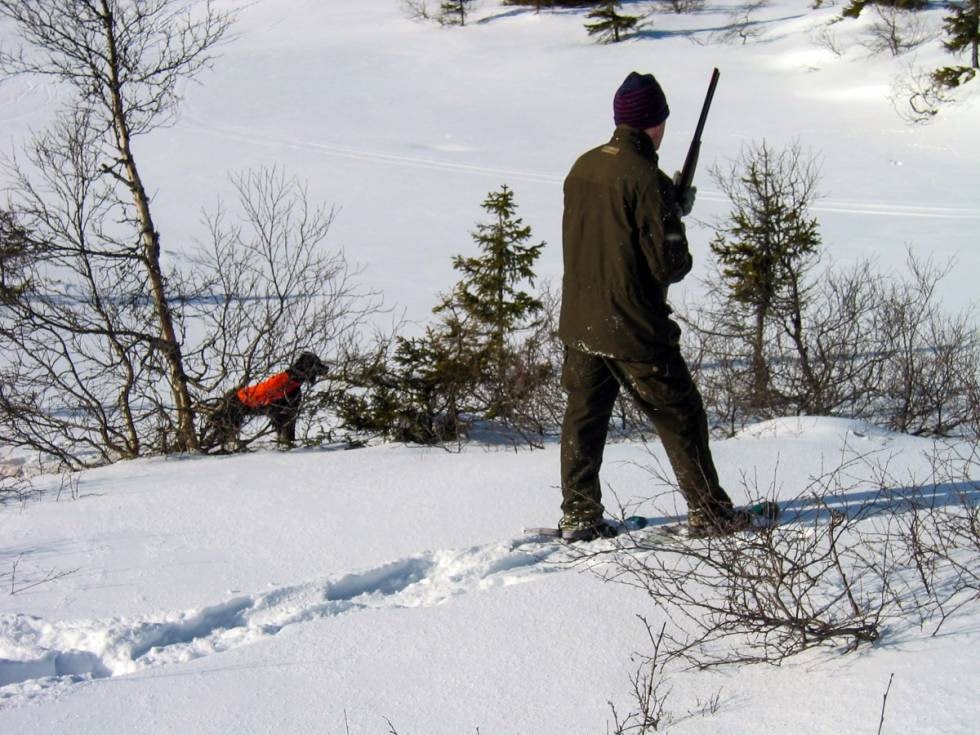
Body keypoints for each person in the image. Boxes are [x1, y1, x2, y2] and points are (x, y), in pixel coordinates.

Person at [557, 71, 749, 541]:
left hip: (582, 319)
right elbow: (669, 265)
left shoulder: (582, 166)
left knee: (585, 417)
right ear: (654, 122)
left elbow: (608, 234)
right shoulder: (648, 180)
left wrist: (667, 205)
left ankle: (579, 515)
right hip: (633, 327)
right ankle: (709, 512)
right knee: (680, 413)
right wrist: (672, 217)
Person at [200, 351, 329, 452]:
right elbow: (279, 414)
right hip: (241, 401)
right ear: (308, 367)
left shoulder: (293, 384)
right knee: (222, 432)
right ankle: (203, 448)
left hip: (243, 399)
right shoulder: (287, 383)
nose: (320, 369)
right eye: (317, 366)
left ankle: (288, 442)